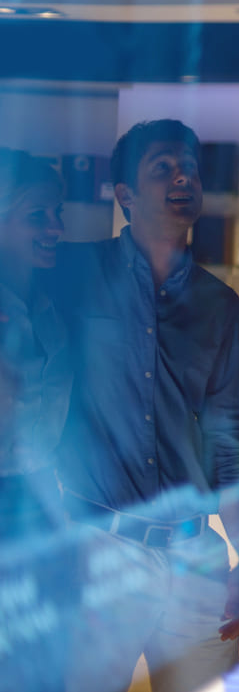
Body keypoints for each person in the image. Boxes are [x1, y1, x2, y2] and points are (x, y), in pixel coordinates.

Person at [50, 120, 239, 692]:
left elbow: (230, 442)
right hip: (100, 551)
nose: (182, 177)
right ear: (125, 196)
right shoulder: (71, 275)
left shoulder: (222, 308)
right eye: (162, 168)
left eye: (189, 166)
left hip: (197, 559)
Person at [0, 152, 74, 692]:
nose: (55, 228)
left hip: (45, 499)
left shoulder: (48, 300)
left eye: (57, 212)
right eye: (36, 216)